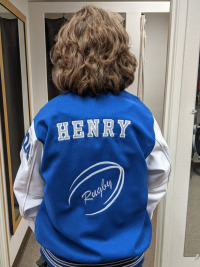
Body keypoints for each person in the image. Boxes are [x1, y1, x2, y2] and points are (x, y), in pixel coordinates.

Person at [13, 5, 171, 267]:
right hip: (126, 257)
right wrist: (132, 221)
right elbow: (159, 177)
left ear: (64, 55)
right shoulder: (141, 117)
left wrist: (55, 235)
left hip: (64, 258)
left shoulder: (47, 119)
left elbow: (27, 193)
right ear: (120, 54)